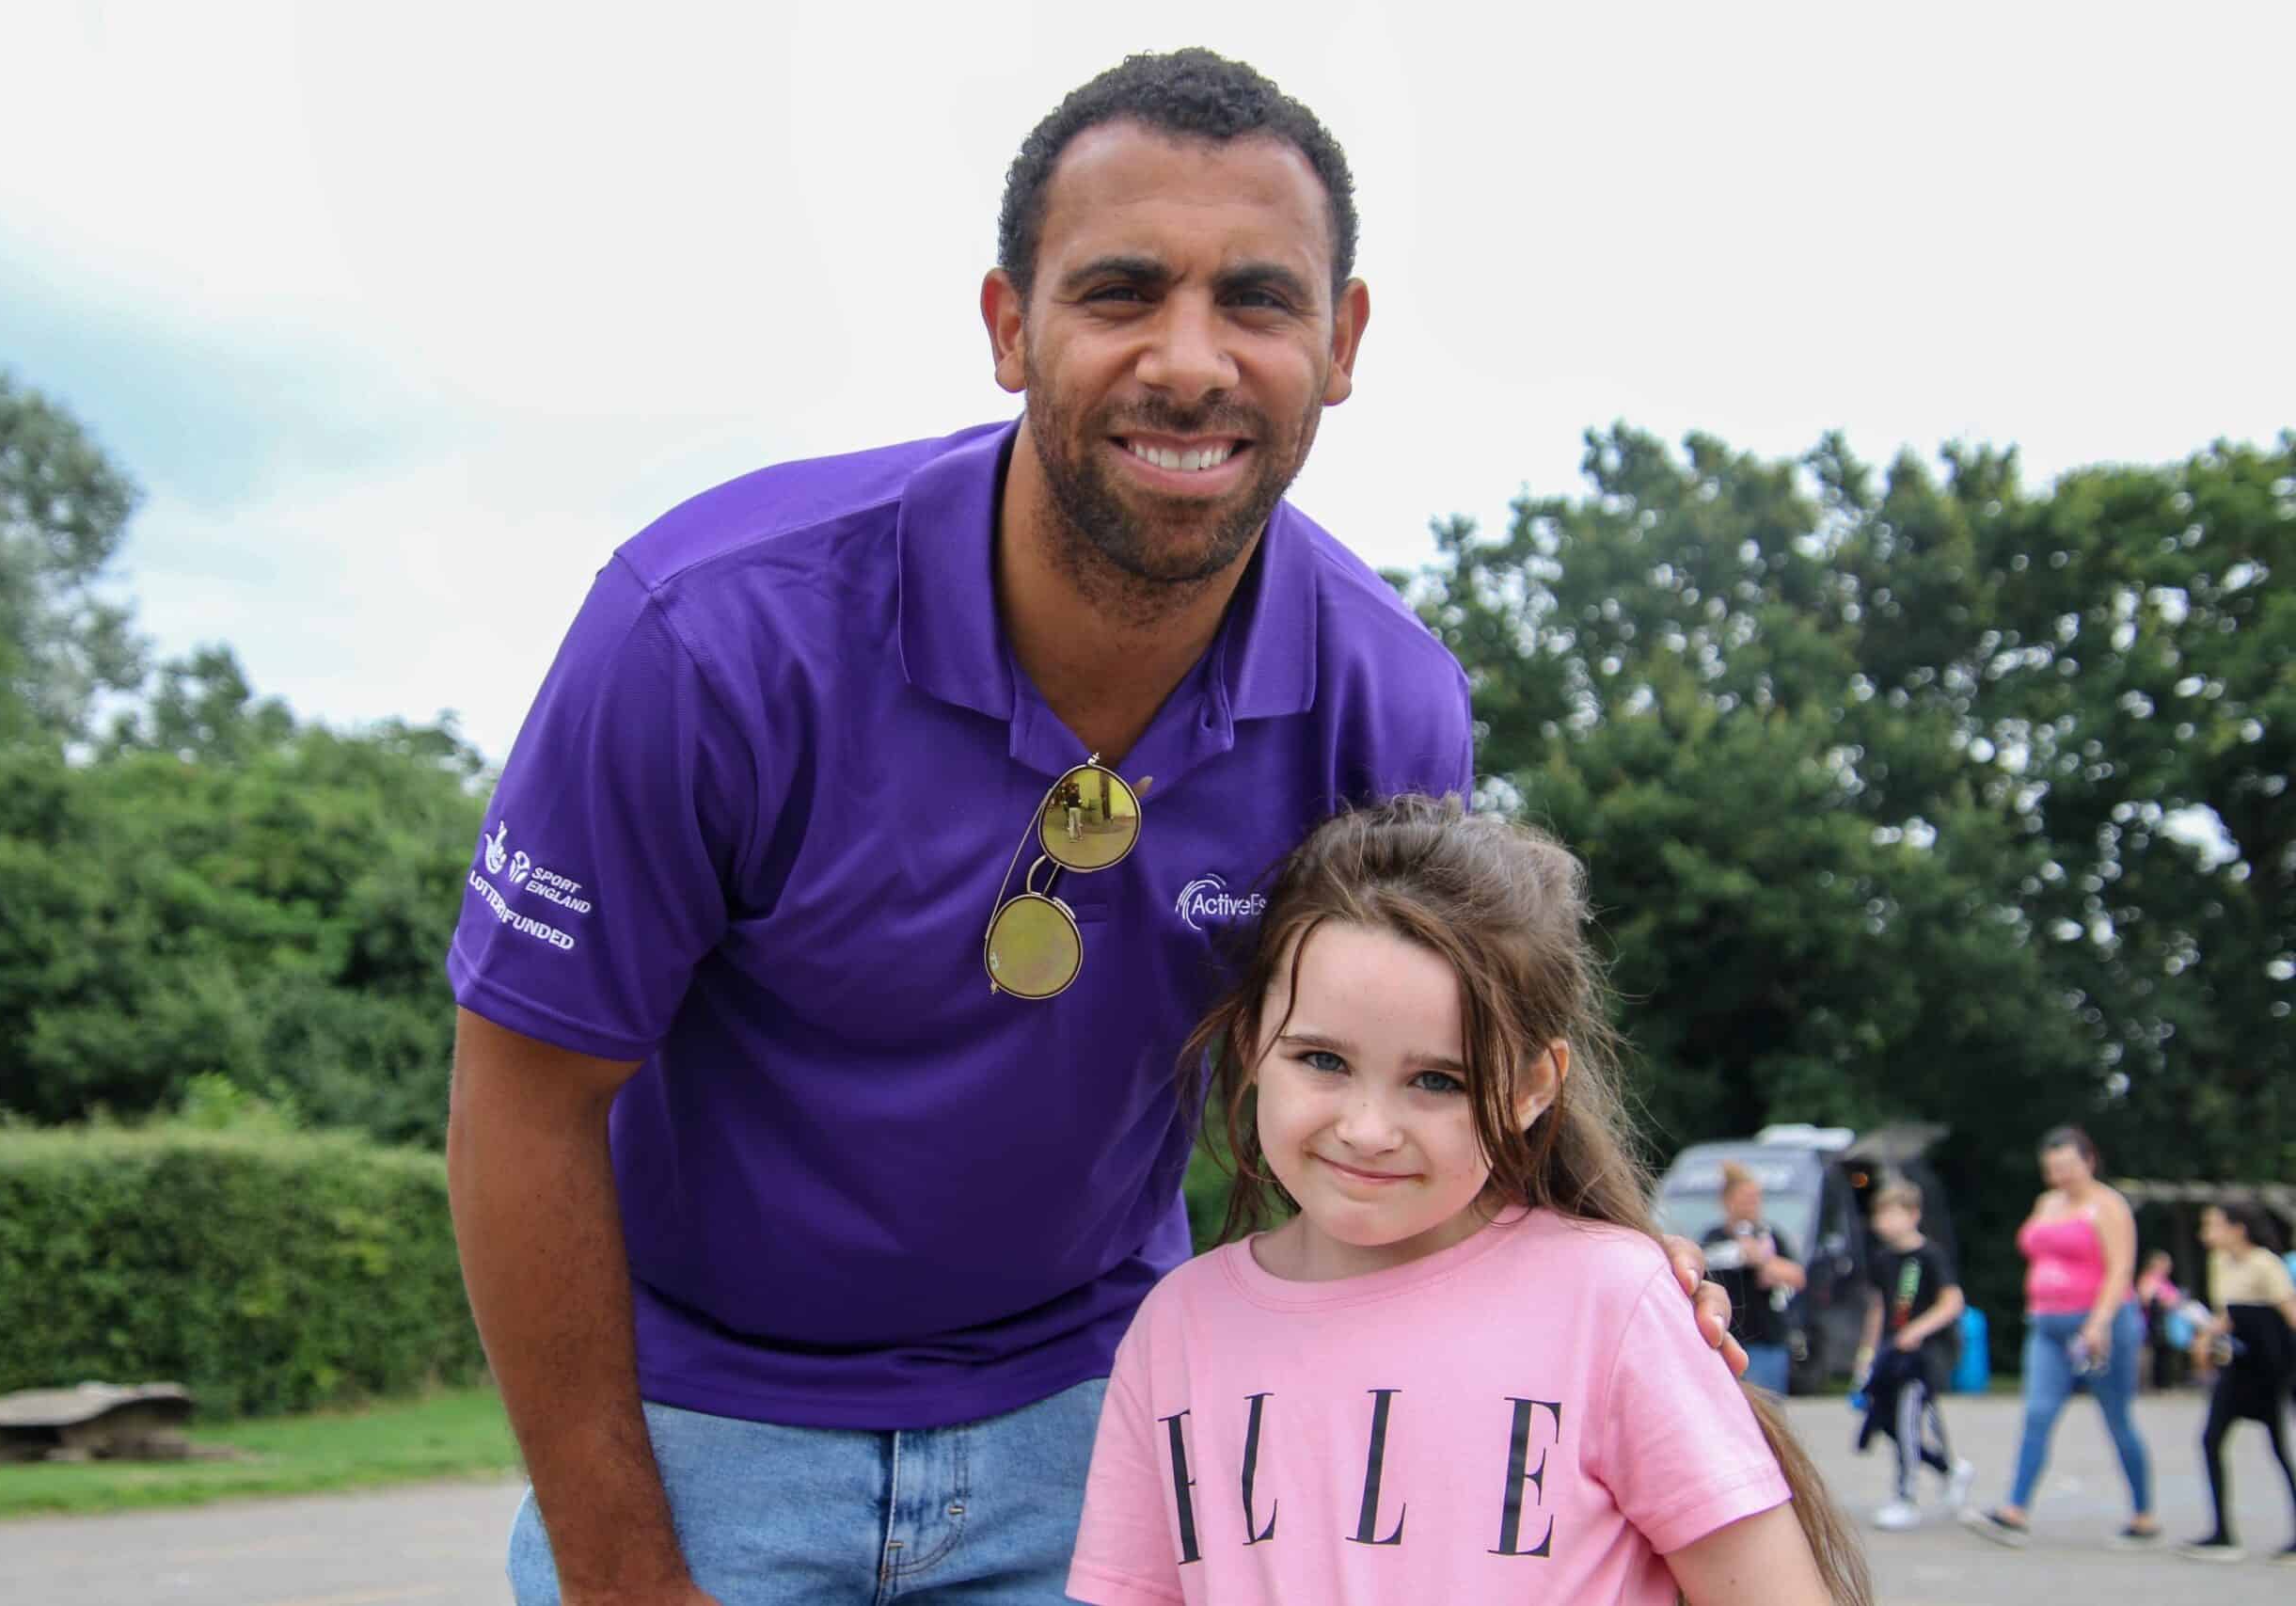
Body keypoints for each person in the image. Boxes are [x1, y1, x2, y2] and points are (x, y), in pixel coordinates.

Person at [442, 49, 1743, 1606]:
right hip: (706, 1423)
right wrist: (621, 1576)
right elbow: (523, 1100)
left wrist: (1598, 1257)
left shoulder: (1388, 704)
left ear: (1341, 343)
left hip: (1105, 1412)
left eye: (1257, 300)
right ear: (1010, 325)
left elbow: (1423, 1083)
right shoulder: (707, 632)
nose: (1189, 363)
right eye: (1122, 291)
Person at [1066, 797, 1871, 1605]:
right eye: (1322, 1060)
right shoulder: (1176, 1329)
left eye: (1437, 1080)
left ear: (1530, 1088)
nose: (1368, 1129)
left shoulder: (1611, 1302)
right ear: (1251, 1042)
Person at [1962, 1125, 2161, 1549]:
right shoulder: (2047, 1202)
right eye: (2052, 1168)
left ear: (2089, 1161)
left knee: (2117, 1418)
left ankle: (2143, 1513)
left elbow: (2120, 1269)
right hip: (2048, 1325)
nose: (2060, 1175)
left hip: (2099, 1325)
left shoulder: (2108, 1206)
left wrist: (2099, 1322)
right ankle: (2015, 1508)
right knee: (2038, 1413)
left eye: (2068, 1166)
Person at [2176, 1201, 2296, 1566]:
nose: (2205, 1233)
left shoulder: (2264, 1264)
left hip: (2268, 1368)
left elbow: (2290, 1313)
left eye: (2213, 1224)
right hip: (2238, 1365)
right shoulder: (2219, 1263)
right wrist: (2206, 1336)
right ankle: (2222, 1532)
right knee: (2211, 1439)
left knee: (2279, 1449)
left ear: (2237, 1229)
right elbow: (2229, 1314)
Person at [1852, 1178, 1972, 1531]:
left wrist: (1917, 1331)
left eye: (1893, 1214)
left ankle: (1905, 1497)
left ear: (1913, 1214)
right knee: (1889, 1419)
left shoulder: (1930, 1256)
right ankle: (1949, 1469)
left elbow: (1952, 1303)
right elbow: (1878, 1308)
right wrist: (1867, 1352)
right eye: (1881, 1215)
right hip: (1893, 1354)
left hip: (1927, 1354)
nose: (1885, 1222)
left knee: (1908, 1415)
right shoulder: (1882, 1259)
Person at [1702, 1161, 1807, 1394]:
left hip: (1767, 1339)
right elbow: (1707, 1263)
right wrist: (1741, 1253)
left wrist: (1764, 1261)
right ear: (1728, 1202)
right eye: (1746, 1199)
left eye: (1756, 1198)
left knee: (1767, 1406)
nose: (1753, 1205)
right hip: (1727, 1337)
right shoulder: (1714, 1238)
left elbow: (1797, 1276)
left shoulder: (1770, 1235)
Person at [2137, 1248, 2185, 1391]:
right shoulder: (2148, 1280)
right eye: (2165, 1263)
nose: (2169, 1266)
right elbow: (2145, 1299)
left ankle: (2164, 1383)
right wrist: (2165, 1301)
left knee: (2164, 1353)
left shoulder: (2165, 1281)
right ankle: (2148, 1384)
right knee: (2150, 1353)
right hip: (2151, 1323)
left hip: (2165, 1323)